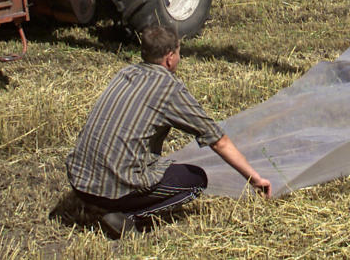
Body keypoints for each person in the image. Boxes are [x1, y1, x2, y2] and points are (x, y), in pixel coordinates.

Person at [66, 26, 271, 238]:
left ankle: (97, 205)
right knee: (196, 181)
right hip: (114, 188)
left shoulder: (125, 73)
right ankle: (126, 216)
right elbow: (218, 141)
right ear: (170, 57)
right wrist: (255, 179)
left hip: (79, 181)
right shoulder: (168, 88)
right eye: (179, 53)